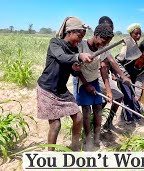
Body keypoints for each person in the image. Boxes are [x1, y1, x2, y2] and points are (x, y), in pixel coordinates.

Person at [37, 16, 92, 151]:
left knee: (78, 117)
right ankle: (51, 154)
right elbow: (61, 57)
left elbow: (72, 70)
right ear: (70, 32)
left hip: (61, 90)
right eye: (79, 36)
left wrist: (75, 69)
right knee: (55, 124)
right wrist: (78, 56)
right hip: (47, 89)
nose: (80, 40)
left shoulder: (74, 50)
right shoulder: (55, 43)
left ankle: (74, 145)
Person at [75, 23, 114, 148]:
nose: (103, 46)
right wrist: (86, 85)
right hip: (81, 81)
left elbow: (103, 70)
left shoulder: (103, 49)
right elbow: (76, 69)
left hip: (94, 80)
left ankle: (96, 137)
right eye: (102, 42)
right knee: (86, 110)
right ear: (96, 35)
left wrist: (109, 91)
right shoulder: (81, 46)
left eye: (106, 43)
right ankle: (88, 138)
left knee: (98, 108)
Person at [95, 16, 131, 131]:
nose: (110, 32)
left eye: (112, 29)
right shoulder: (93, 43)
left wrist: (120, 75)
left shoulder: (106, 44)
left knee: (118, 96)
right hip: (93, 75)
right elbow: (109, 61)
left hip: (103, 74)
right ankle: (95, 124)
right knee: (100, 101)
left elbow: (110, 61)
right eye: (108, 29)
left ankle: (108, 123)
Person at [117, 37, 144, 123]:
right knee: (127, 96)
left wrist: (137, 92)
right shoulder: (130, 54)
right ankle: (128, 120)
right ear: (139, 51)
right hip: (123, 77)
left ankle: (137, 117)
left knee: (135, 98)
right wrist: (125, 75)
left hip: (135, 79)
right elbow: (117, 62)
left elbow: (141, 77)